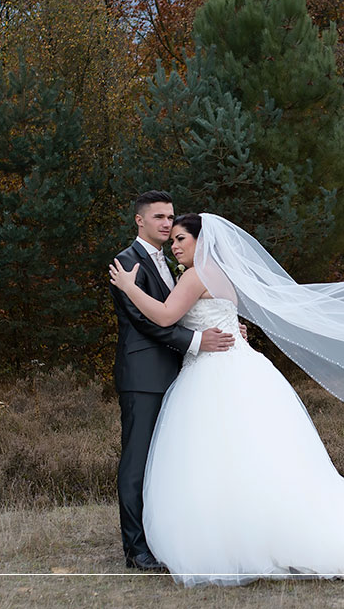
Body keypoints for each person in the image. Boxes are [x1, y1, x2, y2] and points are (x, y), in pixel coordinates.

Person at [109, 212, 344, 585]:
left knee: (216, 455)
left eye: (182, 239)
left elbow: (165, 317)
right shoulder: (222, 275)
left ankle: (236, 538)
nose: (175, 245)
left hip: (214, 373)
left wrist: (129, 287)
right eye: (174, 238)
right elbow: (216, 317)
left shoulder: (196, 275)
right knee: (250, 456)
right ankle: (256, 533)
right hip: (240, 367)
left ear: (203, 241)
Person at [109, 192, 238, 571]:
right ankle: (135, 549)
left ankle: (166, 536)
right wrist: (198, 340)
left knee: (170, 462)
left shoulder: (173, 264)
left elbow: (182, 311)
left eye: (170, 218)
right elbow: (147, 321)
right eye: (159, 217)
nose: (167, 224)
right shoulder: (125, 263)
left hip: (179, 375)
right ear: (140, 221)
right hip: (144, 376)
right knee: (136, 463)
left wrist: (225, 326)